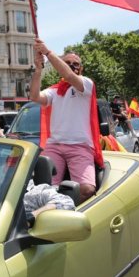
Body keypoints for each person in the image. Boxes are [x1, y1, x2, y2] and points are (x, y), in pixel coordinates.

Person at [29, 38, 103, 204]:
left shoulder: (86, 85)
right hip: (54, 146)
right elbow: (34, 96)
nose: (71, 66)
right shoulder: (54, 91)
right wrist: (38, 70)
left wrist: (48, 53)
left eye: (75, 64)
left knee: (86, 189)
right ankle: (55, 208)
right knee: (41, 190)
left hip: (80, 146)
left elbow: (68, 75)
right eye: (67, 63)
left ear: (81, 68)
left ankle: (61, 208)